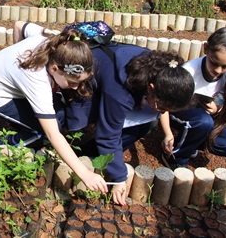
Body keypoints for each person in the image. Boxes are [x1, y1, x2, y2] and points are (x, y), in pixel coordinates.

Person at [0, 21, 108, 194]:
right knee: (42, 133)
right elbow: (53, 134)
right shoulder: (36, 79)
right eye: (72, 82)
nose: (76, 87)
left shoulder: (58, 42)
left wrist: (14, 68)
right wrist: (85, 174)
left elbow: (19, 26)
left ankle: (22, 120)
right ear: (54, 68)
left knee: (58, 115)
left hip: (14, 85)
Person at [64, 38, 195, 205]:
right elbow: (109, 135)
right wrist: (119, 178)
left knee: (145, 123)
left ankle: (91, 151)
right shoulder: (119, 92)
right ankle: (76, 153)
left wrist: (167, 130)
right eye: (161, 107)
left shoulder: (158, 68)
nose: (162, 112)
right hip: (79, 78)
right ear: (152, 88)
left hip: (107, 71)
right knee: (72, 121)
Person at [160, 27, 226, 169]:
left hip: (202, 119)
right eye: (214, 62)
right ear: (206, 48)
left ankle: (191, 143)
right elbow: (163, 103)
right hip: (177, 114)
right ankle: (176, 156)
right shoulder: (189, 72)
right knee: (204, 122)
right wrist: (167, 133)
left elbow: (222, 98)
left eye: (225, 66)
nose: (218, 70)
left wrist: (217, 108)